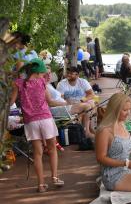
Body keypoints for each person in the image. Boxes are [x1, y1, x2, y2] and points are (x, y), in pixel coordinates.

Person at [10, 58, 65, 193]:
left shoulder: (19, 84)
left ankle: (41, 185)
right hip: (45, 118)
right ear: (39, 71)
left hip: (31, 122)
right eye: (42, 72)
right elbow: (50, 101)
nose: (43, 75)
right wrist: (64, 103)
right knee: (52, 149)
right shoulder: (42, 81)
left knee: (38, 154)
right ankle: (55, 177)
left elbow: (11, 102)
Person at [44, 66, 94, 139]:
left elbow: (91, 94)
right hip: (59, 109)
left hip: (65, 105)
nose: (49, 76)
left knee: (91, 104)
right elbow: (50, 103)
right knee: (87, 107)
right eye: (46, 74)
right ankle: (86, 132)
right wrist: (67, 103)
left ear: (77, 75)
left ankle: (85, 130)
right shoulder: (45, 86)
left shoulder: (48, 84)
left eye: (49, 73)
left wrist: (82, 100)